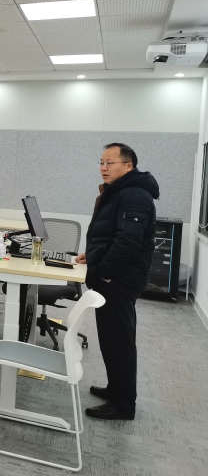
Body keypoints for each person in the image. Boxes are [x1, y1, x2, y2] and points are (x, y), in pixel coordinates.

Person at [76, 143, 158, 421]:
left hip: (119, 279)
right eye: (101, 162)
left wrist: (105, 271)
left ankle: (123, 404)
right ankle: (116, 389)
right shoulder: (119, 191)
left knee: (119, 341)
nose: (103, 168)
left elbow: (128, 241)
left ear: (128, 165)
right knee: (111, 338)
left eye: (110, 163)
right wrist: (93, 256)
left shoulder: (135, 195)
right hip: (113, 276)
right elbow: (111, 235)